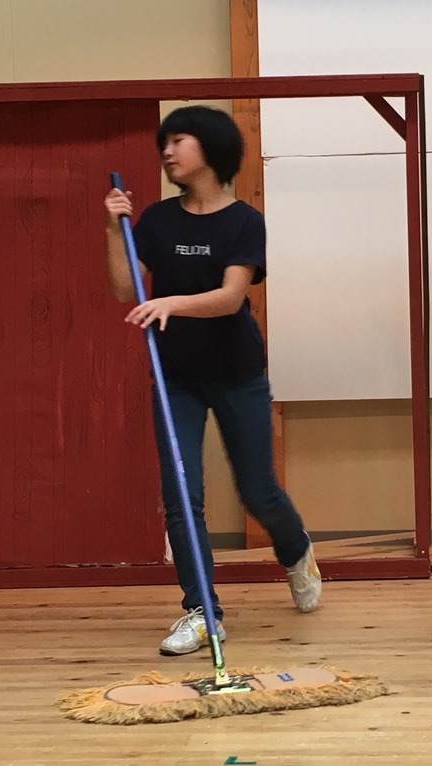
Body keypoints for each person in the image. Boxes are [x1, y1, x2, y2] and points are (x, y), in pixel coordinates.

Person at [103, 105, 321, 656]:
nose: (167, 151)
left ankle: (295, 549)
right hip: (175, 376)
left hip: (237, 374)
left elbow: (229, 298)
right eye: (165, 142)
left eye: (180, 140)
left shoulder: (244, 221)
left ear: (212, 148)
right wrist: (113, 229)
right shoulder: (157, 220)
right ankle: (203, 613)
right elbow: (125, 289)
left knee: (258, 492)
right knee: (182, 496)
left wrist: (171, 302)